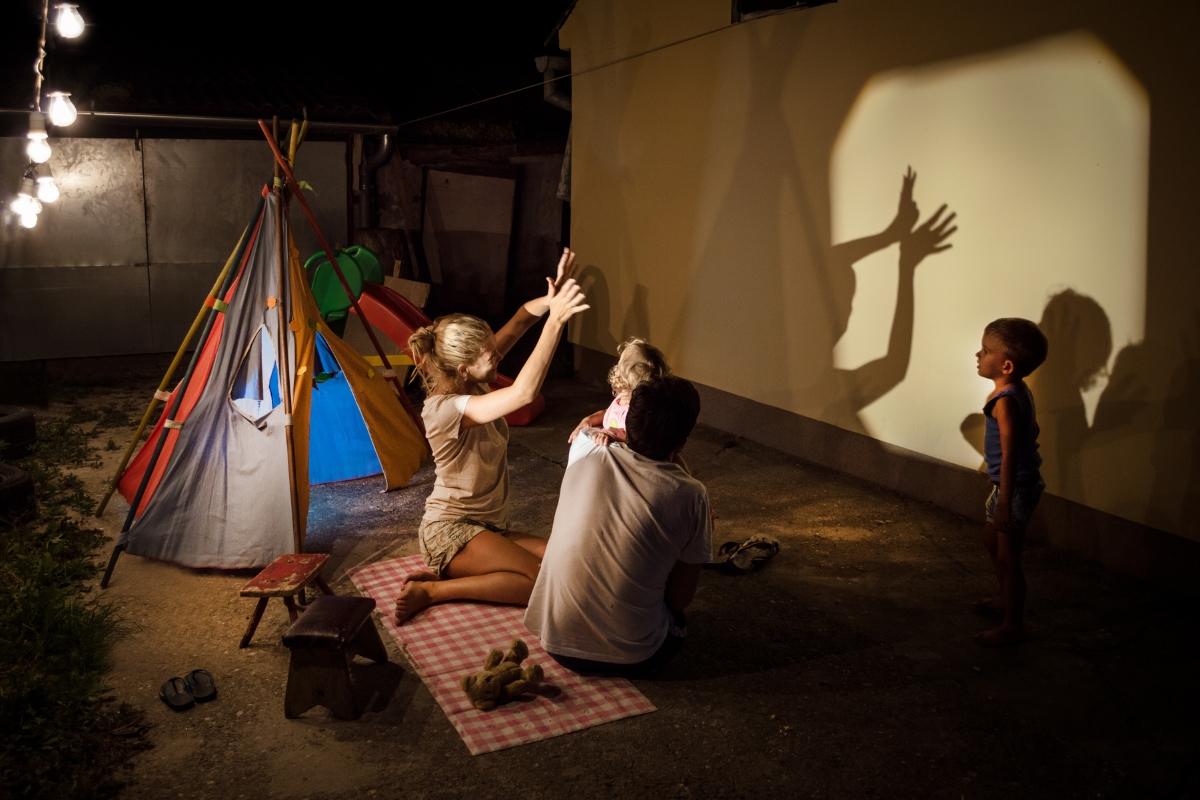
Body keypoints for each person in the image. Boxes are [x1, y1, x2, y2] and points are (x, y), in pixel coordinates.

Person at [393, 248, 589, 624]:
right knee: (541, 585)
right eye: (490, 356)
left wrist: (550, 301)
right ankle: (434, 588)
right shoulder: (445, 409)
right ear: (463, 369)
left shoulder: (474, 379)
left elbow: (517, 322)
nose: (497, 357)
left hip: (485, 527)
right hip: (449, 531)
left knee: (561, 561)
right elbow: (522, 395)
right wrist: (557, 322)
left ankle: (457, 572)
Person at [524, 376, 712, 676]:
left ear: (627, 421)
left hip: (555, 642)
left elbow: (596, 429)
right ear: (682, 443)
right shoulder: (691, 494)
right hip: (637, 654)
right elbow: (679, 598)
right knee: (674, 599)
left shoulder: (586, 446)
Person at [974, 318, 1049, 646]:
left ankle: (1012, 624)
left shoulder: (1004, 401)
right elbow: (1031, 431)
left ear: (1006, 364)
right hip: (1010, 487)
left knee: (1008, 557)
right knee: (992, 543)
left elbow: (1010, 454)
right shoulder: (1017, 391)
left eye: (985, 350)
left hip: (1013, 490)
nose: (978, 354)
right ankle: (1006, 599)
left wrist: (1004, 501)